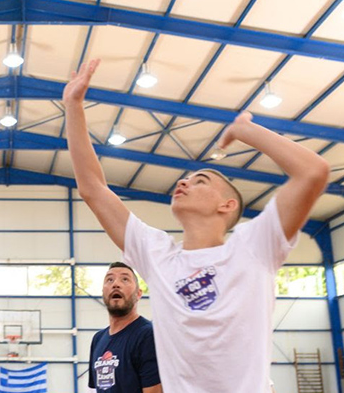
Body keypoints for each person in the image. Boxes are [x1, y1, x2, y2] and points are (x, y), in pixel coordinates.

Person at [64, 59, 330, 393]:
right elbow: (93, 189)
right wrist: (73, 106)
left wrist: (247, 131)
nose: (184, 183)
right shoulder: (158, 256)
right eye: (185, 179)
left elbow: (313, 172)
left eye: (200, 180)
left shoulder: (253, 246)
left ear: (227, 205)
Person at [88, 262, 161, 393]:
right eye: (110, 279)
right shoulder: (98, 339)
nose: (116, 284)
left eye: (125, 279)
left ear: (138, 294)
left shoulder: (148, 335)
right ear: (103, 293)